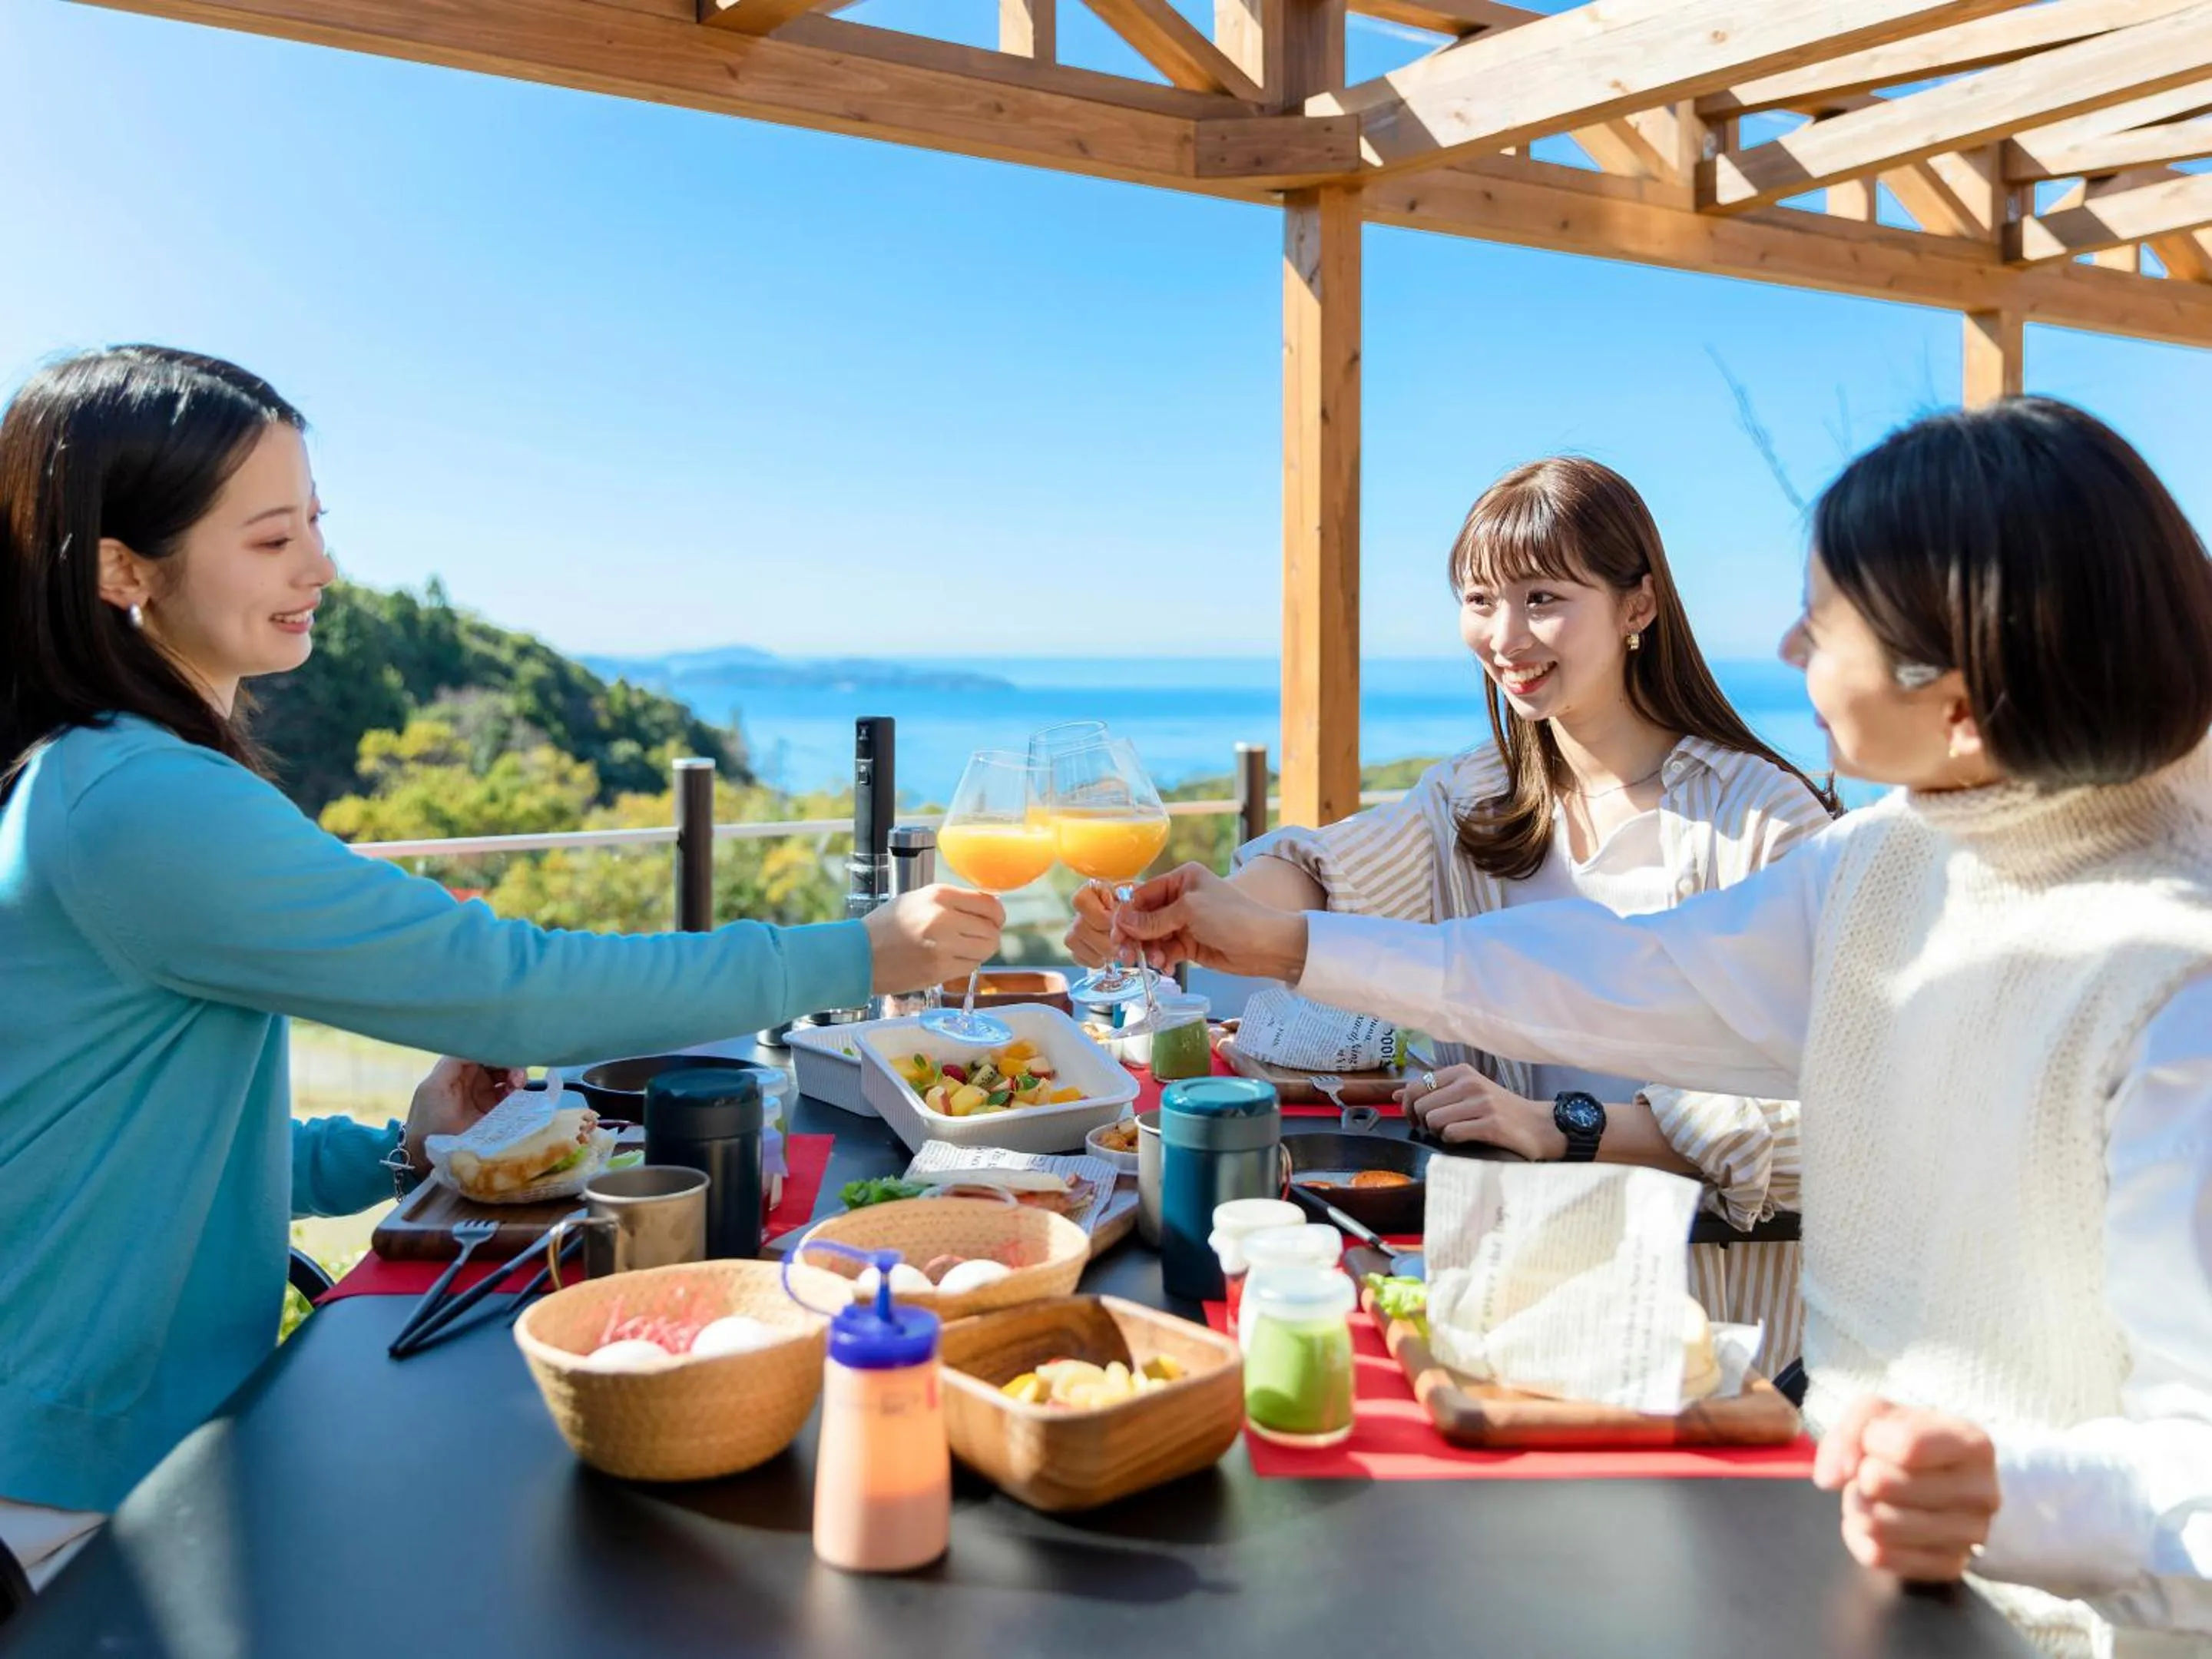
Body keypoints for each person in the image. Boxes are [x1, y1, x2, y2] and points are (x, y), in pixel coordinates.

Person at [1114, 397, 2212, 1655]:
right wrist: (1284, 941)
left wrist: (2009, 1498)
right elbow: (1617, 972)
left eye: (1828, 615)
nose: (1793, 641)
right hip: (1843, 1549)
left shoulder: (2173, 983)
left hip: (2044, 1621)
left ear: (1961, 696)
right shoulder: (1883, 863)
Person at [0, 346, 1002, 1584]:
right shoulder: (140, 805)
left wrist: (398, 1151)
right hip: (68, 1478)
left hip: (120, 1438)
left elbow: (123, 1140)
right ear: (120, 568)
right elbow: (513, 985)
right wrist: (854, 949)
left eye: (315, 521)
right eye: (269, 540)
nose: (319, 566)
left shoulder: (99, 777)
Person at [1068, 457, 1834, 1359]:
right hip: (1509, 1298)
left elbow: (1825, 1126)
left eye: (1543, 598)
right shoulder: (1481, 794)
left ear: (1639, 606)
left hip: (1707, 1324)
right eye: (1479, 600)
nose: (1504, 636)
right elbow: (1321, 872)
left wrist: (1557, 1129)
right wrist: (1192, 913)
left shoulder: (1763, 822)